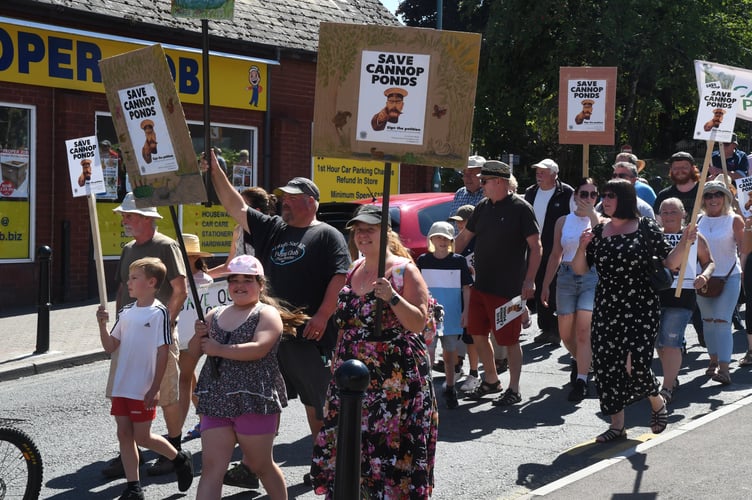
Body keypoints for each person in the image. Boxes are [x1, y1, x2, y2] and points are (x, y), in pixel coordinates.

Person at [204, 151, 350, 486]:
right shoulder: (273, 229)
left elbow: (339, 277)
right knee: (257, 399)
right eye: (282, 197)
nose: (284, 202)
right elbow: (236, 207)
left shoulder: (327, 234)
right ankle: (253, 464)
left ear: (311, 202)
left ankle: (324, 462)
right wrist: (216, 172)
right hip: (268, 330)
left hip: (307, 333)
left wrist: (323, 316)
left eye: (292, 198)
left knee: (317, 402)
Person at [310, 204, 438, 498]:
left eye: (370, 229)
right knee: (352, 448)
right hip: (351, 378)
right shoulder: (355, 267)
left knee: (388, 451)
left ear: (386, 233)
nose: (362, 235)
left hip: (393, 380)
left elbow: (418, 323)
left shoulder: (405, 270)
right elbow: (346, 321)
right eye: (358, 229)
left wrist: (391, 297)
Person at [572, 179, 694, 443]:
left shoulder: (646, 226)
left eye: (610, 196)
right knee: (607, 365)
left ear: (625, 199)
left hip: (641, 304)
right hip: (607, 305)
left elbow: (670, 262)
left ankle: (657, 401)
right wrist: (582, 247)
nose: (604, 200)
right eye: (603, 196)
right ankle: (617, 425)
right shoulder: (600, 229)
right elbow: (580, 269)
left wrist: (685, 242)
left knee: (636, 364)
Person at [190, 255, 303, 500]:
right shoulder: (214, 314)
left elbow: (259, 348)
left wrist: (218, 349)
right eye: (234, 280)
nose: (239, 285)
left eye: (247, 280)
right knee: (212, 468)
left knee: (261, 465)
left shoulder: (266, 313)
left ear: (261, 284)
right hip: (216, 399)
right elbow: (190, 355)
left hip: (254, 400)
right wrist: (197, 337)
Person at [102, 193, 188, 479]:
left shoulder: (166, 245)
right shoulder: (128, 249)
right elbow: (121, 290)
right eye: (124, 215)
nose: (124, 220)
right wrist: (118, 323)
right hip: (129, 331)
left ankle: (174, 446)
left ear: (148, 218)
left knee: (164, 391)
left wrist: (167, 324)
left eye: (129, 215)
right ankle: (128, 452)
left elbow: (179, 289)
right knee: (127, 389)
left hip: (158, 331)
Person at [96, 257, 194, 500]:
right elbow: (111, 346)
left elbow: (163, 351)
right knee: (124, 434)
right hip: (122, 384)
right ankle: (133, 486)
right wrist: (102, 325)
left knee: (143, 436)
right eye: (129, 278)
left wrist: (155, 386)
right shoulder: (126, 312)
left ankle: (179, 459)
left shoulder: (159, 312)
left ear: (151, 282)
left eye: (134, 278)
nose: (128, 282)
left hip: (143, 386)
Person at [454, 160, 541, 406]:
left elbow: (537, 247)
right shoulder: (482, 207)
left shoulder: (521, 208)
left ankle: (514, 388)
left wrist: (530, 281)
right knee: (477, 333)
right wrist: (446, 259)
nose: (481, 185)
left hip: (509, 289)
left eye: (485, 181)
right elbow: (463, 238)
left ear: (500, 182)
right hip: (481, 286)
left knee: (509, 340)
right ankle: (491, 380)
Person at [540, 178, 602, 402]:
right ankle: (584, 361)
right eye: (583, 194)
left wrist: (594, 215)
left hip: (591, 277)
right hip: (565, 276)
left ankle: (582, 380)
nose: (587, 199)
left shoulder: (600, 221)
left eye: (593, 195)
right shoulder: (563, 221)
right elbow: (555, 254)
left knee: (584, 333)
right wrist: (546, 283)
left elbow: (605, 240)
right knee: (566, 333)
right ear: (575, 196)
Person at [655, 198, 714, 404]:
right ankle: (672, 377)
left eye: (673, 212)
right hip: (656, 295)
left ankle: (667, 387)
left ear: (683, 215)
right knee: (660, 342)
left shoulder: (695, 237)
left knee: (671, 340)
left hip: (683, 296)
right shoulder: (654, 237)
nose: (669, 216)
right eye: (665, 212)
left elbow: (709, 262)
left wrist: (704, 276)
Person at [417, 221, 473, 409]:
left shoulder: (458, 261)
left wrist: (466, 311)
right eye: (438, 237)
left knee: (450, 355)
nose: (442, 241)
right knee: (428, 355)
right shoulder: (423, 261)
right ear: (431, 239)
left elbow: (467, 289)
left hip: (452, 316)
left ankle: (450, 388)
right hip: (428, 317)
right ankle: (425, 390)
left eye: (446, 238)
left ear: (451, 241)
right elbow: (418, 289)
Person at [696, 180, 745, 385]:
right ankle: (713, 360)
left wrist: (743, 274)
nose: (713, 198)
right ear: (703, 200)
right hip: (703, 278)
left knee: (723, 321)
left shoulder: (735, 220)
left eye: (717, 194)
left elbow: (743, 249)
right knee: (708, 321)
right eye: (708, 195)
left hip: (729, 277)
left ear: (725, 198)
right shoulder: (698, 220)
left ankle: (725, 369)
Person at [524, 158, 573, 345]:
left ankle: (555, 329)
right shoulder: (531, 192)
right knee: (537, 285)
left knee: (551, 287)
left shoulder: (566, 192)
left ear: (554, 174)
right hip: (533, 247)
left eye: (543, 171)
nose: (539, 174)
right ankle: (545, 328)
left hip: (555, 248)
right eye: (537, 171)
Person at [179, 234, 214, 443]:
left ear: (194, 258)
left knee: (187, 379)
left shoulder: (206, 281)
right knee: (187, 378)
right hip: (182, 338)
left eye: (186, 255)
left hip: (201, 335)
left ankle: (205, 419)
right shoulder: (175, 280)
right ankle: (204, 418)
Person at [653, 152, 700, 220]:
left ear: (692, 168)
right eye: (676, 168)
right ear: (671, 170)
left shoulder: (704, 192)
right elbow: (658, 222)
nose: (680, 171)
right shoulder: (663, 195)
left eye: (684, 167)